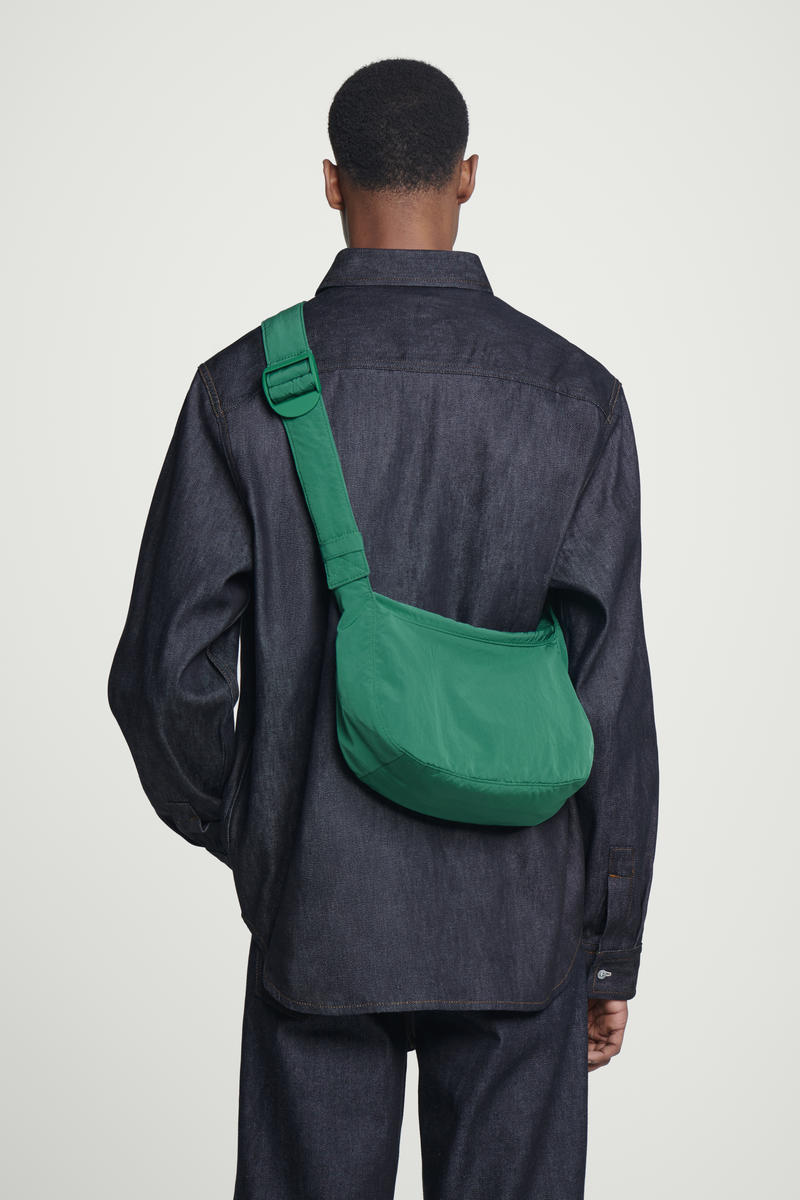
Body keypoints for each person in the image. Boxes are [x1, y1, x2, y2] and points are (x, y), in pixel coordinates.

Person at [108, 56, 659, 1200]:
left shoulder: (243, 389)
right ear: (468, 178)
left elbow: (166, 679)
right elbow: (608, 699)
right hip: (519, 930)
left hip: (322, 917)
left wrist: (261, 828)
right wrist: (608, 945)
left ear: (329, 182)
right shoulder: (578, 397)